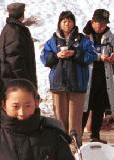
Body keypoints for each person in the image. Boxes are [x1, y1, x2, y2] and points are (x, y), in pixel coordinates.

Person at [40, 11, 98, 141]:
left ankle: (76, 144)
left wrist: (75, 53)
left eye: (70, 21)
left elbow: (92, 55)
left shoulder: (83, 40)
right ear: (60, 23)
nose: (67, 24)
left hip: (77, 83)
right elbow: (44, 58)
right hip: (58, 84)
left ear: (74, 23)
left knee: (75, 117)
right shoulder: (52, 41)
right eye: (64, 21)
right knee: (60, 117)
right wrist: (56, 55)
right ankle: (61, 143)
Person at [82, 9, 114, 143]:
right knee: (84, 107)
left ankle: (95, 135)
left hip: (104, 77)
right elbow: (82, 54)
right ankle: (78, 135)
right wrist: (99, 57)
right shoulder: (84, 36)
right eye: (100, 23)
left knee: (99, 107)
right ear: (93, 21)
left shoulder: (110, 35)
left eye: (104, 24)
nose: (102, 26)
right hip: (87, 77)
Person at [0, 2, 37, 88]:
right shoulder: (15, 31)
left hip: (12, 80)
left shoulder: (10, 28)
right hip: (16, 83)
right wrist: (24, 82)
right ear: (22, 14)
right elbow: (14, 58)